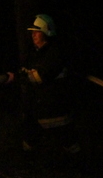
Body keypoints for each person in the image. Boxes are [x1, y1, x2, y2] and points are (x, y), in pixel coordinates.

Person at [7, 14, 80, 154]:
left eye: (37, 32)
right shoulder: (34, 53)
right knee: (29, 140)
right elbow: (25, 71)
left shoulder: (55, 53)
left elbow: (39, 77)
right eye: (32, 32)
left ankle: (78, 161)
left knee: (68, 141)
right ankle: (28, 159)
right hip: (36, 108)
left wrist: (15, 78)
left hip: (55, 108)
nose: (33, 35)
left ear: (47, 33)